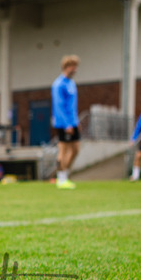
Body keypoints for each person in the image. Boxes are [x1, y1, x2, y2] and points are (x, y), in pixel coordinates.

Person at [51, 54, 80, 190]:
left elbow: (72, 105)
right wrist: (67, 123)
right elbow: (59, 106)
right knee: (62, 150)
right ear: (66, 67)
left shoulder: (72, 83)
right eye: (73, 66)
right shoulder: (58, 84)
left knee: (75, 149)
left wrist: (75, 121)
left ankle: (64, 175)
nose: (75, 69)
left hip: (73, 121)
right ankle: (61, 178)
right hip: (63, 123)